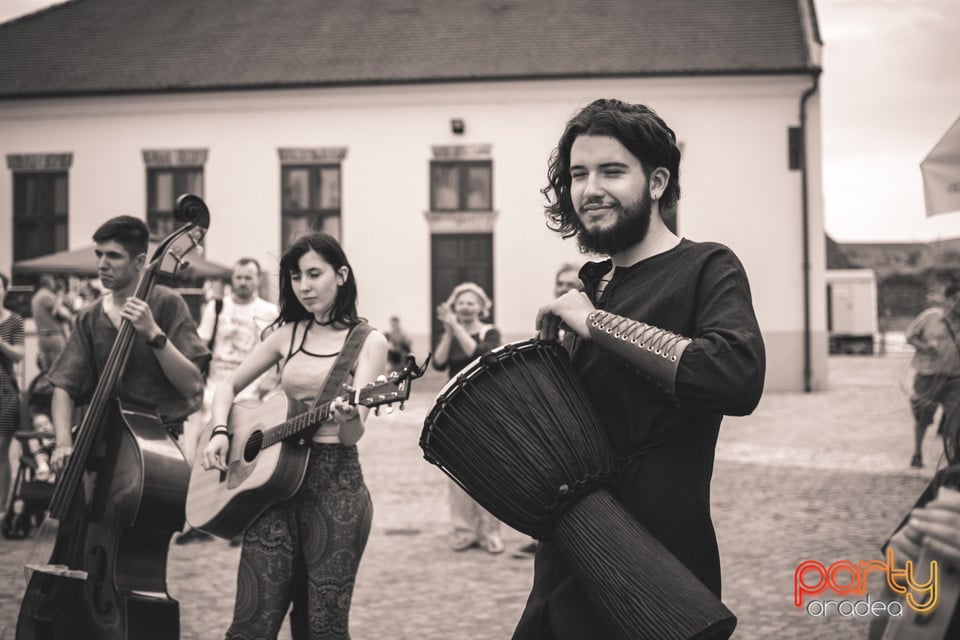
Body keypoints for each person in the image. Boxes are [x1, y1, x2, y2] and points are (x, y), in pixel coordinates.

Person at [516, 98, 765, 638]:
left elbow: (735, 376)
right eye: (578, 174)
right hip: (567, 562)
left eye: (611, 171)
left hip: (660, 573)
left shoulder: (706, 266)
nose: (589, 189)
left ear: (656, 182)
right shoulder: (589, 286)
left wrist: (596, 325)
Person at [200, 232, 387, 640]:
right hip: (273, 487)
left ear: (341, 275)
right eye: (296, 276)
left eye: (314, 274)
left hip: (336, 486)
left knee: (324, 627)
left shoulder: (370, 342)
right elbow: (227, 385)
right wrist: (218, 432)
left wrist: (349, 415)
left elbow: (354, 434)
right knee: (251, 621)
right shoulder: (288, 334)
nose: (304, 286)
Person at [48, 216, 208, 478]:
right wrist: (63, 441)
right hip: (101, 445)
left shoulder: (168, 303)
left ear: (139, 261)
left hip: (159, 445)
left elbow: (192, 385)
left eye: (113, 256)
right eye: (99, 254)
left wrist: (154, 333)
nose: (102, 264)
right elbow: (63, 386)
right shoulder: (90, 316)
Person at [175, 258, 278, 545]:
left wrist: (265, 387)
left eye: (248, 277)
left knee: (242, 462)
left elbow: (277, 354)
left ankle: (240, 521)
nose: (243, 282)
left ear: (258, 281)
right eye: (239, 277)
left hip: (250, 396)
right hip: (212, 394)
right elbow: (201, 345)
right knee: (201, 459)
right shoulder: (217, 307)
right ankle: (200, 520)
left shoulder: (269, 312)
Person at [432, 281, 505, 554]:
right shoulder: (452, 331)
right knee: (457, 472)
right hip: (455, 407)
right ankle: (463, 531)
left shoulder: (490, 332)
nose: (465, 306)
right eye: (460, 301)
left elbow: (481, 354)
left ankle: (490, 532)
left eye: (470, 302)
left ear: (481, 307)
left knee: (488, 471)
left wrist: (457, 328)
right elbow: (439, 363)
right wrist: (448, 332)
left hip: (485, 407)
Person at [905, 281, 960, 468]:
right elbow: (910, 336)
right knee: (923, 417)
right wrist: (925, 346)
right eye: (956, 300)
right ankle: (917, 453)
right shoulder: (930, 317)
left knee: (955, 418)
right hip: (928, 375)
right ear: (948, 300)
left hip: (954, 378)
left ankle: (954, 458)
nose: (958, 305)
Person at [0, 272, 26, 513]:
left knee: (1, 448)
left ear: (4, 291)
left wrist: (1, 343)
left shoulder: (14, 321)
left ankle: (1, 510)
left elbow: (20, 354)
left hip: (5, 391)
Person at [31, 274, 74, 372]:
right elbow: (61, 313)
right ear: (49, 283)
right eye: (53, 281)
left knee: (47, 371)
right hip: (54, 337)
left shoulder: (35, 297)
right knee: (60, 369)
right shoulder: (46, 295)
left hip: (42, 338)